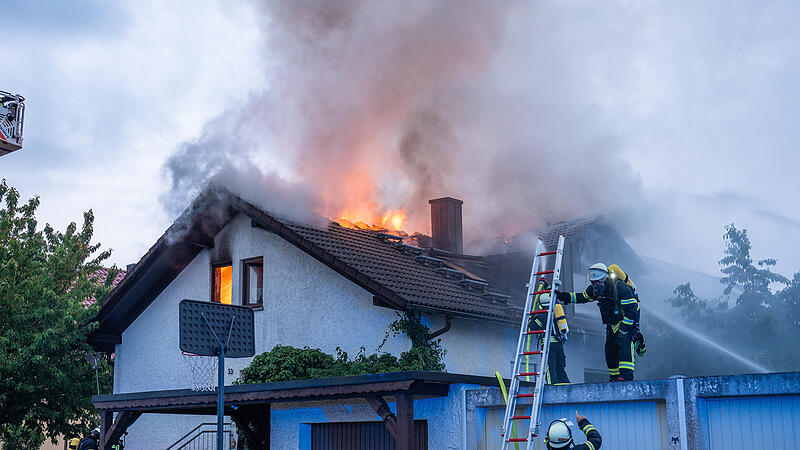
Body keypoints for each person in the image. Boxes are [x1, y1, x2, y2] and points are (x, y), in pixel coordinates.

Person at [556, 263, 640, 381]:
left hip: (627, 322)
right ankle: (614, 377)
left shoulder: (621, 288)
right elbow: (581, 297)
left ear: (605, 279)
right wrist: (562, 296)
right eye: (593, 282)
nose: (595, 285)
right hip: (612, 324)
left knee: (625, 347)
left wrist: (624, 329)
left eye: (597, 282)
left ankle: (626, 377)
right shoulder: (595, 290)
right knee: (610, 351)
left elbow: (632, 311)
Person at [527, 278, 570, 384]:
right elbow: (552, 294)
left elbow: (532, 326)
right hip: (559, 345)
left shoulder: (542, 315)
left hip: (548, 346)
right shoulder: (555, 311)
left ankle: (553, 388)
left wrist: (531, 316)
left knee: (550, 369)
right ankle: (566, 387)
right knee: (560, 369)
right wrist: (547, 286)